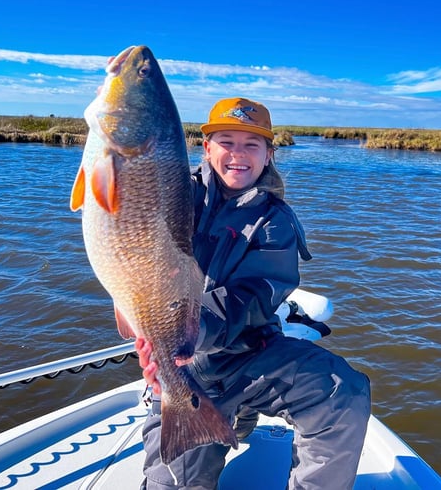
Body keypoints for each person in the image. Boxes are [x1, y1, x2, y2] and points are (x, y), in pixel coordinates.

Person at [136, 97, 371, 489]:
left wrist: (186, 332)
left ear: (268, 155)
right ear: (206, 147)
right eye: (227, 141)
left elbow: (253, 297)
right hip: (184, 370)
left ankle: (240, 413)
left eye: (252, 144)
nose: (238, 155)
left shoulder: (275, 221)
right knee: (171, 482)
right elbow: (126, 227)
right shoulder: (172, 196)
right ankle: (217, 422)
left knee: (342, 392)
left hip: (250, 355)